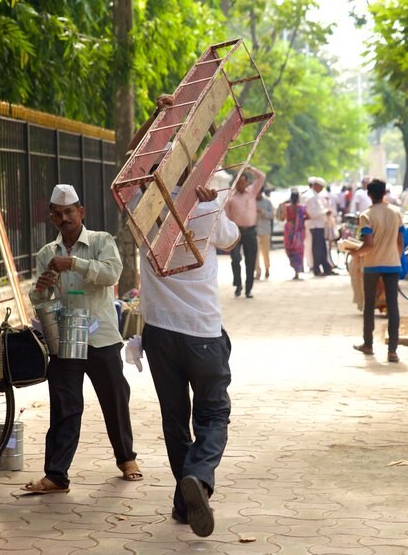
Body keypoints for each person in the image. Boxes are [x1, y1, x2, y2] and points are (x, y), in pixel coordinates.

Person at [22, 184, 141, 494]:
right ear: (52, 219)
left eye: (69, 212)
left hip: (101, 333)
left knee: (114, 400)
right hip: (66, 336)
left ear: (81, 212)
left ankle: (127, 459)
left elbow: (111, 275)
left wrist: (75, 263)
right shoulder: (48, 252)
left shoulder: (102, 241)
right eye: (58, 214)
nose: (64, 218)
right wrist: (43, 287)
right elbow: (40, 299)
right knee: (64, 406)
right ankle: (56, 475)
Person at [139, 178, 240, 537]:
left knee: (175, 420)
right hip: (201, 331)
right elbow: (231, 239)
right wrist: (213, 205)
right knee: (213, 415)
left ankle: (184, 505)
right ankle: (198, 478)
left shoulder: (142, 206)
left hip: (159, 332)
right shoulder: (206, 206)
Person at [351, 179, 405, 363]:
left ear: (369, 194)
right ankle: (392, 351)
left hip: (372, 264)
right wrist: (397, 257)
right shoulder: (396, 212)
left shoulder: (366, 215)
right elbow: (400, 241)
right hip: (392, 263)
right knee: (393, 306)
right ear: (385, 192)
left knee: (369, 304)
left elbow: (369, 244)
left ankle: (368, 344)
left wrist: (355, 253)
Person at [224, 166, 266, 298]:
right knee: (235, 258)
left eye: (242, 182)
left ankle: (248, 289)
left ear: (247, 182)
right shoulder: (230, 197)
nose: (240, 185)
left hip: (250, 231)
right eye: (238, 183)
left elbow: (262, 177)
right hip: (236, 232)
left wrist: (250, 168)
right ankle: (238, 285)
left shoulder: (252, 192)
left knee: (250, 260)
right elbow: (226, 216)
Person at [305, 177, 335, 276]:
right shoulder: (311, 197)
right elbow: (312, 213)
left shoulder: (317, 196)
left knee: (322, 248)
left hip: (320, 225)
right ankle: (317, 269)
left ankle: (326, 268)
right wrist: (325, 212)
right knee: (317, 249)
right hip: (315, 225)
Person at [277, 189, 307, 280]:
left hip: (289, 229)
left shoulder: (286, 207)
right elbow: (308, 216)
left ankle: (295, 270)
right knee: (298, 250)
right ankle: (297, 271)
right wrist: (300, 220)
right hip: (298, 232)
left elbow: (281, 218)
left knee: (290, 250)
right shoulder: (301, 208)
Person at [254, 189, 274, 280]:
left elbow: (272, 215)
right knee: (255, 253)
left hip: (265, 230)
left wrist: (263, 212)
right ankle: (258, 272)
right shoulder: (252, 202)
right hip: (255, 231)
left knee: (265, 252)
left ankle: (267, 269)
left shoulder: (267, 202)